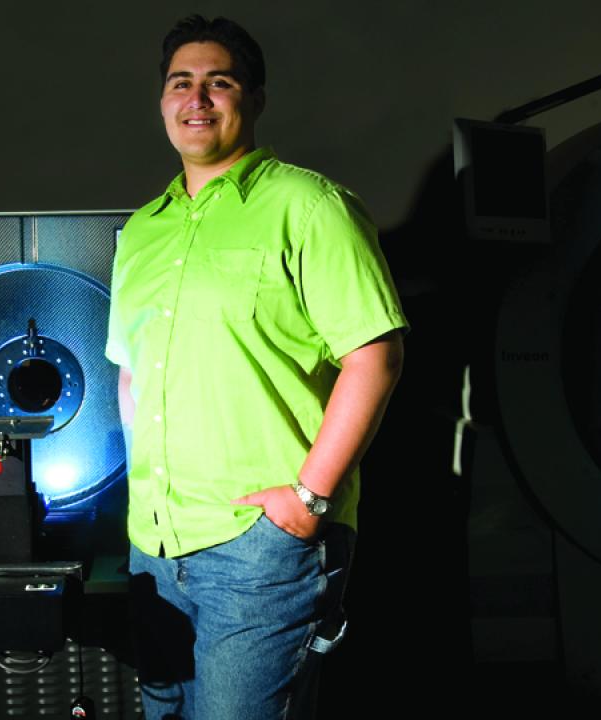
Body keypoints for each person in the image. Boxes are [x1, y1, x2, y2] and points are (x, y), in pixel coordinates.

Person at [104, 15, 407, 720]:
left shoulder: (309, 205)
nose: (198, 99)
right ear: (163, 102)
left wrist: (308, 501)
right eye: (182, 83)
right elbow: (131, 372)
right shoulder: (142, 230)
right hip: (154, 544)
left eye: (220, 82)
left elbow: (376, 355)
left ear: (255, 100)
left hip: (259, 551)